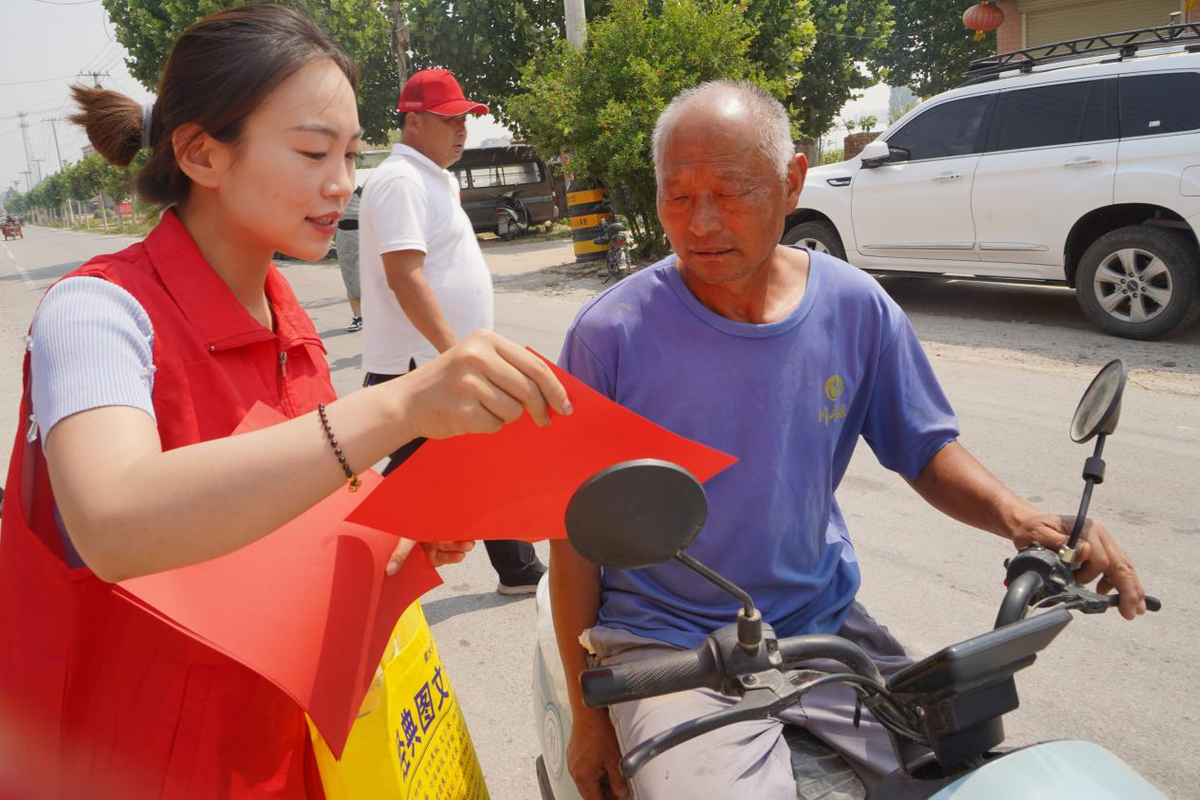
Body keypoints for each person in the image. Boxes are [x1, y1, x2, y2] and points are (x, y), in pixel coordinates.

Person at [0, 7, 571, 798]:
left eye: (348, 154)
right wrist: (402, 406)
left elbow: (282, 523)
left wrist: (399, 543)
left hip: (274, 743)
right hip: (132, 756)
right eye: (311, 152)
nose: (340, 183)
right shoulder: (97, 313)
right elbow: (114, 519)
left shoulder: (284, 316)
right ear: (202, 153)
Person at [549, 80, 1147, 800]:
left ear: (792, 179)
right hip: (670, 647)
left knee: (963, 770)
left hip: (825, 629)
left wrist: (1018, 516)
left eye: (730, 190)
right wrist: (590, 714)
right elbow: (574, 534)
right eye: (678, 196)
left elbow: (924, 447)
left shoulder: (855, 307)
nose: (701, 221)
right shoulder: (609, 337)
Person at [358, 67, 548, 596]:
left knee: (485, 455)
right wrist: (454, 353)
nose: (462, 129)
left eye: (466, 118)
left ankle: (517, 568)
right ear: (414, 121)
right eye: (450, 120)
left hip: (441, 356)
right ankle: (342, 559)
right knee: (399, 482)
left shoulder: (433, 176)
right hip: (421, 361)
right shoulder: (400, 180)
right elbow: (404, 275)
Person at [335, 183, 363, 332]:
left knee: (367, 278)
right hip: (343, 237)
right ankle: (358, 317)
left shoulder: (362, 192)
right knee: (350, 278)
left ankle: (375, 316)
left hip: (362, 236)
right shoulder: (336, 195)